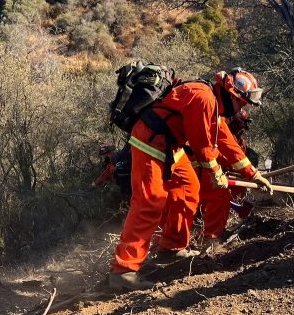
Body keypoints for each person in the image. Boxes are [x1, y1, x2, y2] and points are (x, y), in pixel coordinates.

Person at [109, 67, 270, 292]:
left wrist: (253, 174)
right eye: (241, 103)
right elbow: (202, 145)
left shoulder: (213, 105)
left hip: (170, 146)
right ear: (231, 95)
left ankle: (171, 248)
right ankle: (123, 270)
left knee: (188, 188)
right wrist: (216, 173)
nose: (241, 108)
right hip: (150, 143)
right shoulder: (203, 98)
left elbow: (225, 141)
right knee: (150, 201)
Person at [195, 111, 268, 251]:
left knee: (222, 195)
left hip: (215, 170)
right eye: (241, 124)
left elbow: (236, 154)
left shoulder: (238, 138)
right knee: (218, 196)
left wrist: (252, 173)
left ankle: (205, 232)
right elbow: (223, 152)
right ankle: (209, 239)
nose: (242, 128)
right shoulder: (218, 123)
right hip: (201, 166)